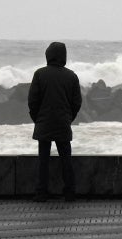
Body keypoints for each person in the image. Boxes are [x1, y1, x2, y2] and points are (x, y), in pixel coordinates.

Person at [28, 41, 82, 202]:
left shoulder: (39, 74)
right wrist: (69, 118)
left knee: (43, 160)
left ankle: (41, 193)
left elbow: (32, 101)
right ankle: (69, 192)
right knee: (66, 159)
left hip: (43, 123)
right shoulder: (71, 76)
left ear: (48, 55)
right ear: (64, 56)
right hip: (63, 122)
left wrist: (37, 119)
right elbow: (76, 102)